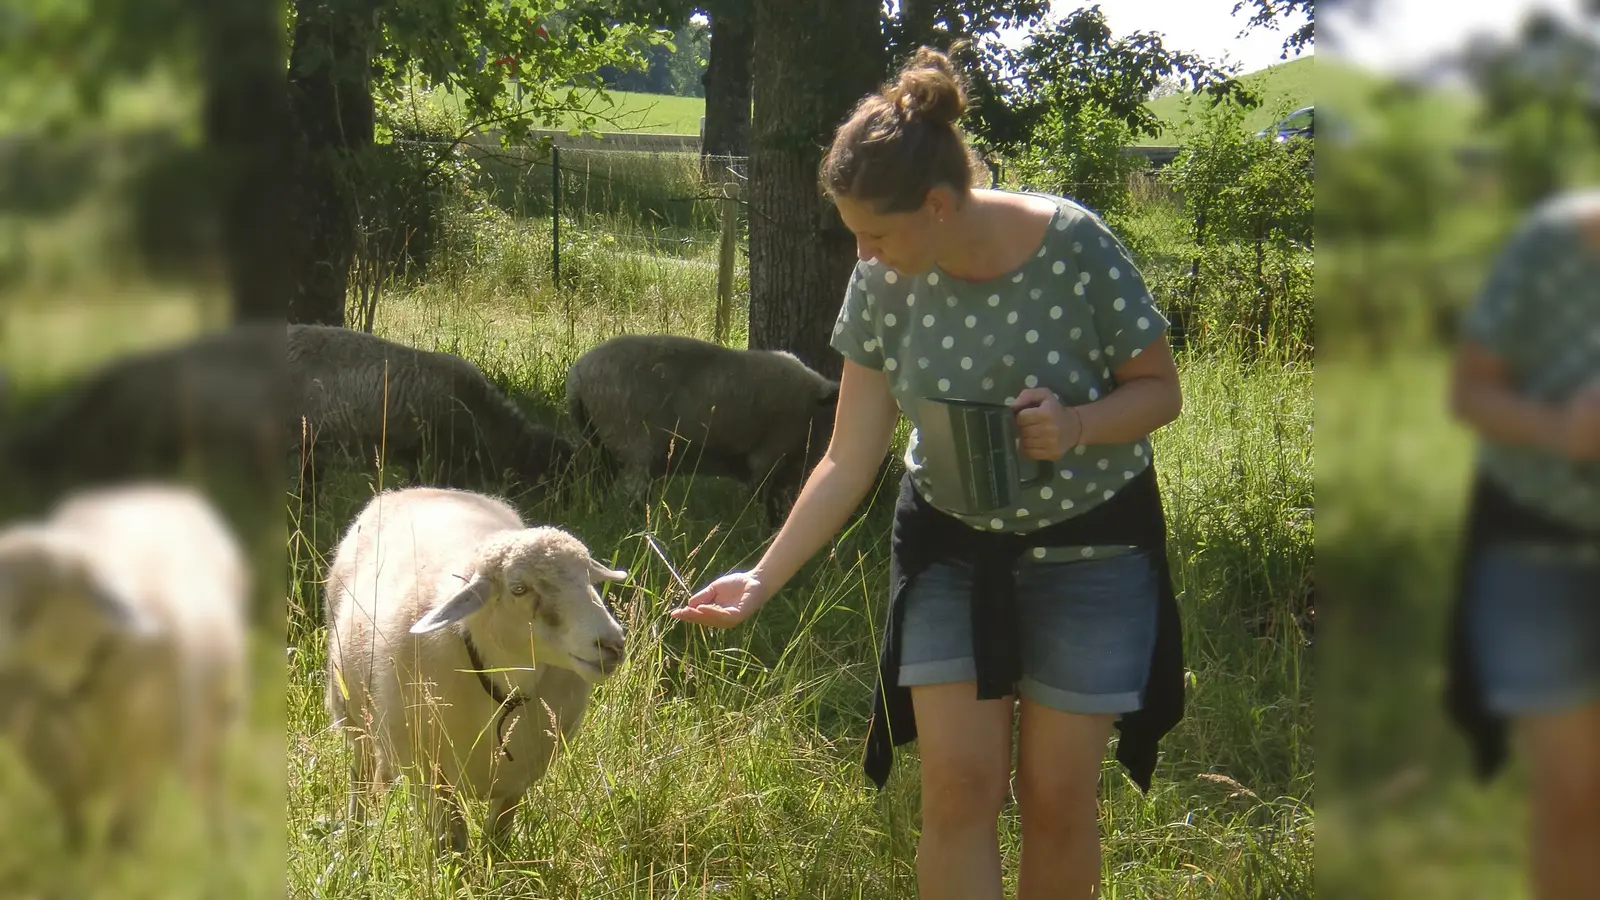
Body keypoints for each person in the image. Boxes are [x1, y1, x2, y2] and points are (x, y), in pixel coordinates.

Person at [670, 46, 1186, 899]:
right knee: (957, 791)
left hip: (1092, 555)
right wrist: (761, 579)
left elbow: (1161, 392)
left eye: (874, 233)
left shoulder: (1078, 247)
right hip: (949, 551)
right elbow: (849, 454)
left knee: (1056, 799)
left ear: (939, 206)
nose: (862, 257)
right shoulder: (883, 285)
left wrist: (1079, 424)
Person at [1446, 187, 1600, 900]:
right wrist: (1559, 428)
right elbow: (1470, 393)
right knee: (1574, 800)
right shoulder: (1548, 245)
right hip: (1538, 553)